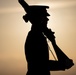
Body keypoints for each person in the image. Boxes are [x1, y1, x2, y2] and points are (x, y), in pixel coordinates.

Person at [18, 0, 74, 75]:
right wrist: (62, 65)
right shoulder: (35, 36)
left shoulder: (37, 35)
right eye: (44, 17)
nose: (47, 19)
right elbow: (39, 65)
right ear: (39, 19)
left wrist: (53, 42)